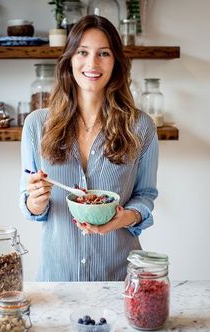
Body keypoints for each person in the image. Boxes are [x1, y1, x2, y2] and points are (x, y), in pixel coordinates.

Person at [20, 15, 158, 281]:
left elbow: (146, 196)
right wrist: (35, 200)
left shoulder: (141, 126)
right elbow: (29, 205)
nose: (92, 63)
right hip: (58, 280)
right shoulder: (36, 125)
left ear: (116, 62)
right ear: (70, 59)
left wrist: (124, 218)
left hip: (119, 281)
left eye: (103, 53)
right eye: (82, 52)